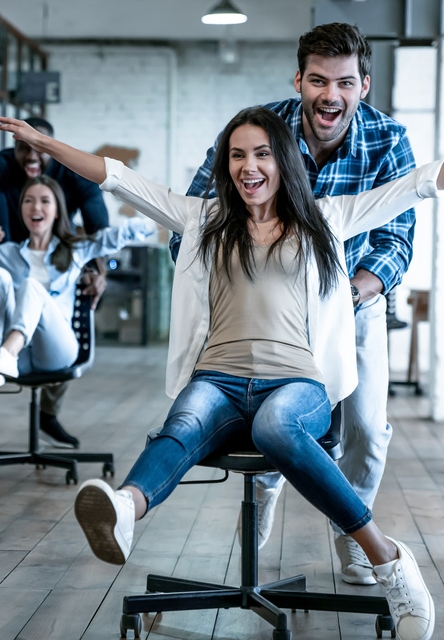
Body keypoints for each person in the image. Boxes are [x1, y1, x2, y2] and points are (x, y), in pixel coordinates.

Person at [0, 108, 440, 640]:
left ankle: (387, 558)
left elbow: (415, 186)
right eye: (236, 155)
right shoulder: (203, 218)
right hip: (220, 379)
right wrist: (44, 142)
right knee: (184, 419)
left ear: (284, 160)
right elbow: (115, 176)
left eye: (260, 154)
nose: (248, 167)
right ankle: (124, 509)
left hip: (296, 384)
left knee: (276, 427)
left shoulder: (325, 217)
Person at [170, 22, 417, 586]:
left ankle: (353, 538)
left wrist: (347, 295)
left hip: (354, 299)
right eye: (318, 80)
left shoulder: (388, 140)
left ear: (364, 86)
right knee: (270, 416)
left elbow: (395, 242)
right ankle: (262, 499)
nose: (331, 95)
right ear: (299, 80)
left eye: (345, 83)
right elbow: (191, 220)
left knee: (366, 428)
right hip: (265, 299)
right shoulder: (259, 131)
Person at [0, 116, 110, 452]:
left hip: (60, 248)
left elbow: (97, 227)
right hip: (17, 248)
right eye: (22, 149)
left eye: (38, 150)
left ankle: (48, 415)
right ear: (12, 149)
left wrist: (97, 271)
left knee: (64, 317)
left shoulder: (74, 167)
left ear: (52, 149)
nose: (31, 157)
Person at [0, 175, 151, 401]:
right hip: (19, 360)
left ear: (57, 211)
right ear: (21, 210)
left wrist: (156, 221)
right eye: (28, 201)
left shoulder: (75, 249)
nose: (36, 207)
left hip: (57, 349)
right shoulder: (6, 253)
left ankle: (5, 355)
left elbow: (117, 236)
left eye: (45, 201)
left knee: (32, 286)